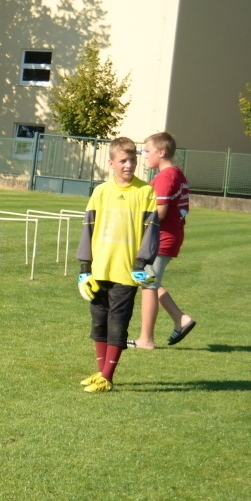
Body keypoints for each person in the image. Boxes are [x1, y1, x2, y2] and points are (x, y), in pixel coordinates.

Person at [76, 137, 160, 393]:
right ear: (111, 163)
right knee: (99, 321)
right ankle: (101, 373)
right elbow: (87, 229)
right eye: (123, 160)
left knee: (118, 323)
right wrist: (84, 268)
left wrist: (141, 262)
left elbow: (151, 231)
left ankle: (108, 377)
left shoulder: (145, 192)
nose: (129, 164)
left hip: (126, 271)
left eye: (133, 159)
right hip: (100, 270)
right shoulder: (101, 191)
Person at [131, 132, 195, 349]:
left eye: (147, 151)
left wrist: (133, 221)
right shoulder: (175, 173)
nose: (144, 155)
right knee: (149, 280)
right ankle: (180, 318)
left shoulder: (165, 177)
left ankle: (146, 339)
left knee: (148, 285)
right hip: (168, 236)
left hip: (161, 238)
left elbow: (160, 212)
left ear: (162, 152)